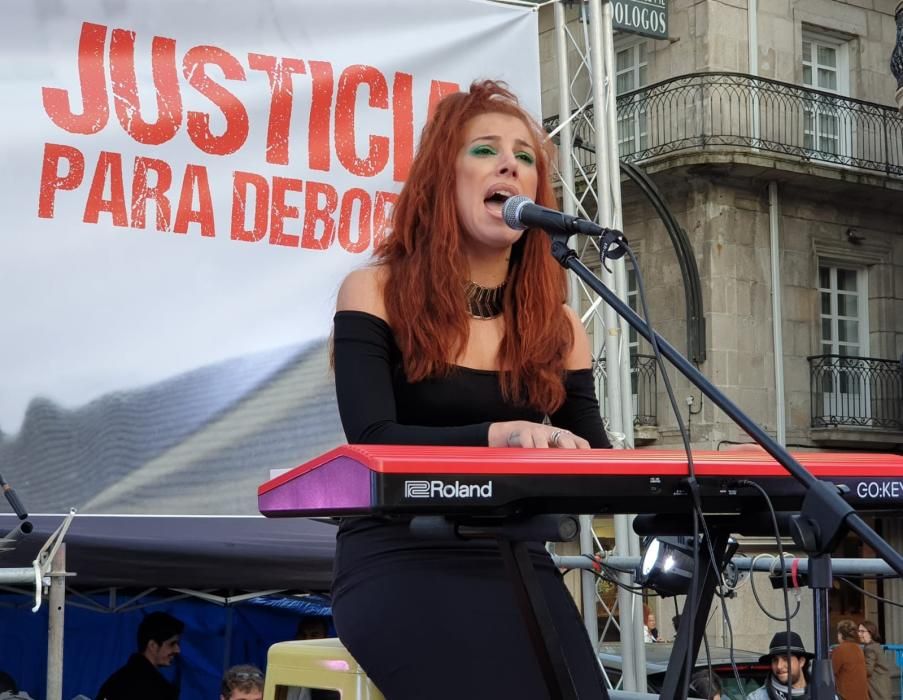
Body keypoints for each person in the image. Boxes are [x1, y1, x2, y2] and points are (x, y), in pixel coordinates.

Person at [330, 80, 612, 700]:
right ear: (441, 178)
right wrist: (500, 437)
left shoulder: (559, 324)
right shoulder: (373, 293)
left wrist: (722, 466)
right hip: (400, 555)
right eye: (485, 150)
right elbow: (374, 440)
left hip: (518, 562)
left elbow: (598, 461)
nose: (510, 162)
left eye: (526, 156)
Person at [96, 611, 183, 700]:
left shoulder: (116, 680)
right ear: (152, 645)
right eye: (172, 644)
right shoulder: (158, 689)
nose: (178, 650)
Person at [746, 631, 814, 700]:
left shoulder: (822, 691)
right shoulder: (756, 698)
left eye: (786, 659)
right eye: (775, 660)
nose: (779, 666)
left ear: (801, 662)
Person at [832, 619, 867, 700]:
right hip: (862, 696)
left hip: (847, 696)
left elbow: (832, 671)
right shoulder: (858, 649)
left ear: (841, 634)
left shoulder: (840, 650)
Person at [858, 620, 892, 700]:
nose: (859, 634)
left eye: (862, 631)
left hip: (877, 689)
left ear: (870, 632)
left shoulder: (870, 648)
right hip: (881, 688)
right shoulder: (874, 646)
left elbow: (868, 670)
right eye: (858, 631)